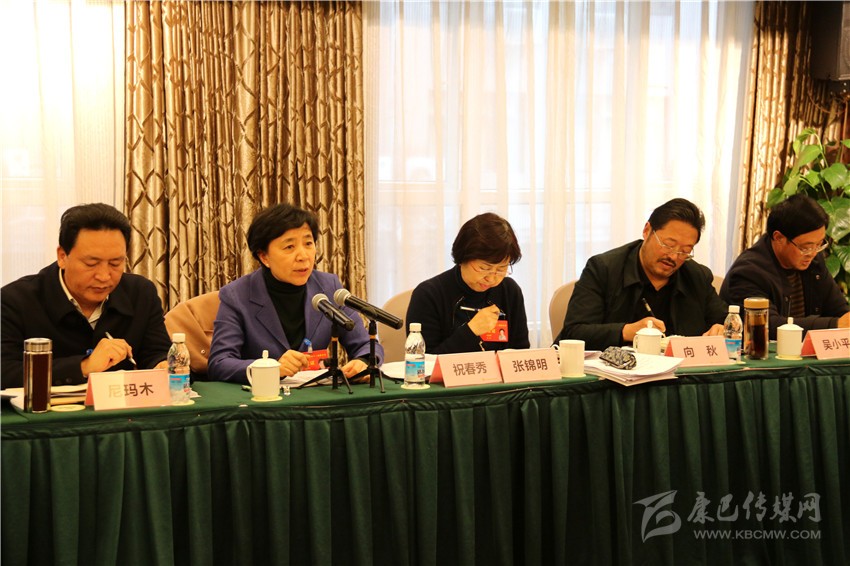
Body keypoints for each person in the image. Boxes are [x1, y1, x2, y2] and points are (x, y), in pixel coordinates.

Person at [1, 203, 171, 388]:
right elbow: (5, 372)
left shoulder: (140, 293)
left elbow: (156, 352)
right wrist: (84, 366)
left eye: (115, 263)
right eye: (91, 264)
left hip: (122, 405)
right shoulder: (14, 301)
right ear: (62, 256)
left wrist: (163, 365)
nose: (104, 276)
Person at [208, 203, 381, 383]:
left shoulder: (329, 287)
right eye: (289, 247)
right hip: (262, 396)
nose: (303, 256)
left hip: (316, 395)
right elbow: (219, 363)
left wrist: (363, 362)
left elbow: (366, 345)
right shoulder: (237, 296)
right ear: (264, 257)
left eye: (308, 244)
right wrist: (270, 367)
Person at [555, 198, 727, 350]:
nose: (674, 257)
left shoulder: (697, 277)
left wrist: (721, 329)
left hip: (679, 373)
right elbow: (574, 332)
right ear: (647, 230)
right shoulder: (603, 269)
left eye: (685, 251)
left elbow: (727, 323)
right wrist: (627, 331)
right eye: (668, 244)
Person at [720, 194, 849, 338]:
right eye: (806, 247)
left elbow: (840, 310)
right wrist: (834, 325)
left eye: (819, 244)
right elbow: (767, 327)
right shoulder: (748, 272)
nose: (812, 253)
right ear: (779, 238)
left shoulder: (814, 262)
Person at [406, 212, 530, 354]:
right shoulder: (429, 295)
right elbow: (422, 361)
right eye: (484, 268)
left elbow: (521, 354)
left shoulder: (509, 291)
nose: (491, 279)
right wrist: (471, 331)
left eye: (501, 269)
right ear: (463, 258)